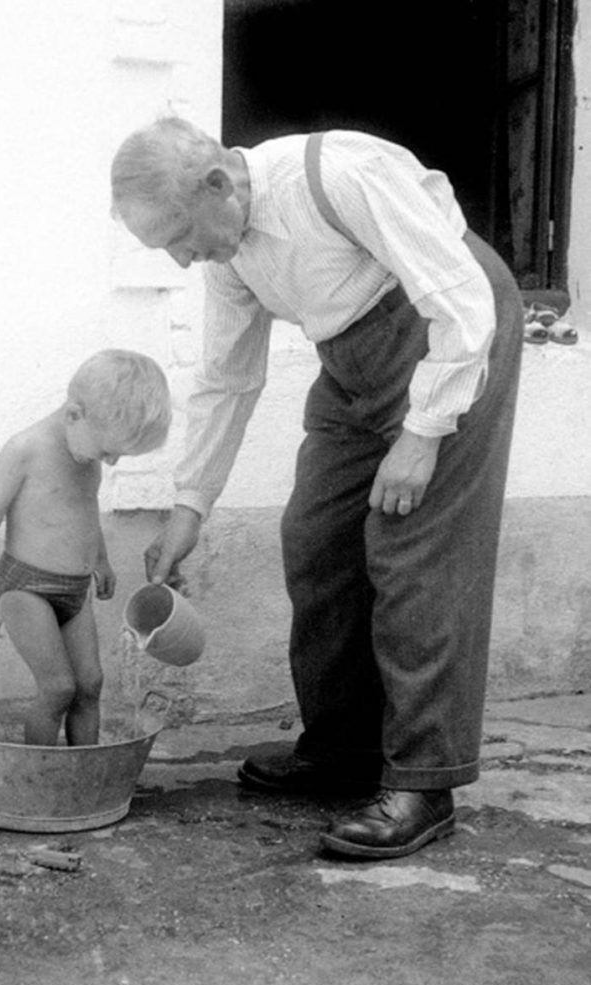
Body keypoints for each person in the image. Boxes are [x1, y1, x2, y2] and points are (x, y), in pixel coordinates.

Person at [110, 117, 523, 859]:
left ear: (217, 184)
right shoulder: (229, 251)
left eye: (178, 237)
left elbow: (461, 299)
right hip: (351, 359)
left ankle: (424, 783)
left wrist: (423, 433)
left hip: (449, 335)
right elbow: (228, 377)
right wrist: (189, 506)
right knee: (315, 536)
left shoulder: (337, 176)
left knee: (414, 554)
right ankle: (342, 751)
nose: (181, 259)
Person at [0, 349, 171, 746]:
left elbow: (84, 508)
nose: (111, 462)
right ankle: (39, 772)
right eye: (108, 451)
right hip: (27, 588)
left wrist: (101, 559)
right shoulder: (25, 449)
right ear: (75, 414)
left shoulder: (86, 452)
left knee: (90, 684)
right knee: (58, 687)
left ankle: (84, 768)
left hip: (75, 592)